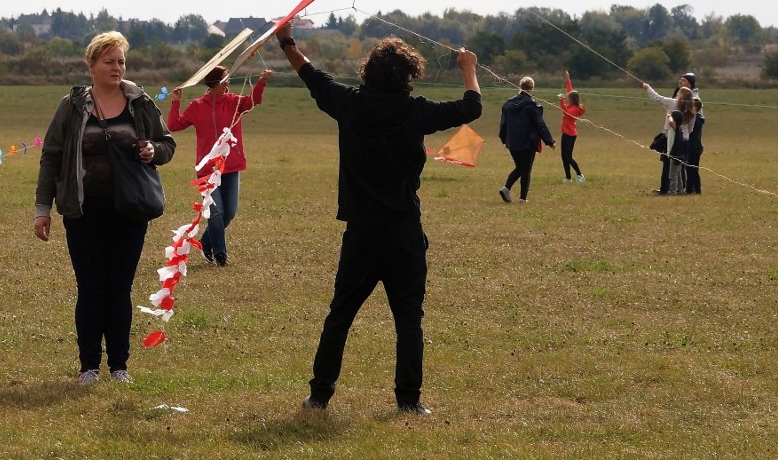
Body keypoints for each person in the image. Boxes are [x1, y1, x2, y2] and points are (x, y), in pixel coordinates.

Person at [275, 22, 482, 415]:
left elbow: (310, 74)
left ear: (368, 70)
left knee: (340, 315)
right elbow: (472, 107)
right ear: (409, 75)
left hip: (362, 234)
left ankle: (319, 395)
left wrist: (286, 39)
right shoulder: (417, 112)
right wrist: (468, 67)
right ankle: (409, 402)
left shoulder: (349, 104)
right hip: (404, 231)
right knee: (408, 319)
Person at [34, 31, 176, 385]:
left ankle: (119, 365)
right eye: (109, 61)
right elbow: (51, 157)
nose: (117, 67)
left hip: (129, 211)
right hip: (82, 212)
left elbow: (167, 144)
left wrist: (152, 152)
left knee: (119, 288)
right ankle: (88, 367)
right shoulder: (71, 106)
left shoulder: (140, 104)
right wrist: (42, 208)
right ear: (92, 65)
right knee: (91, 288)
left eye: (121, 61)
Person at [167, 66, 271, 266]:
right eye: (225, 79)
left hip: (231, 167)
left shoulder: (233, 101)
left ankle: (205, 243)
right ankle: (220, 254)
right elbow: (174, 125)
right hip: (207, 170)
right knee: (216, 212)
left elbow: (253, 101)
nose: (228, 83)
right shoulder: (197, 106)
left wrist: (261, 82)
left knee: (229, 212)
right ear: (215, 83)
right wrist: (176, 101)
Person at [498, 76, 556, 203]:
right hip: (527, 142)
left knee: (519, 167)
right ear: (532, 88)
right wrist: (550, 141)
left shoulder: (508, 104)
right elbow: (540, 124)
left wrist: (503, 138)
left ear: (520, 86)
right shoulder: (532, 105)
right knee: (526, 169)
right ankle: (523, 198)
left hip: (512, 141)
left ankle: (506, 188)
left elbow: (503, 123)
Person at [643, 78, 695, 195]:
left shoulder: (673, 102)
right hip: (685, 140)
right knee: (680, 166)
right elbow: (691, 129)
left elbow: (657, 98)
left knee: (668, 165)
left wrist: (647, 88)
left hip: (671, 139)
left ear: (680, 95)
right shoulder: (692, 111)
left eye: (679, 92)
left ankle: (668, 189)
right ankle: (680, 190)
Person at [557, 70, 586, 183]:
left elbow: (565, 111)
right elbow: (569, 89)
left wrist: (561, 99)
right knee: (563, 157)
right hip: (565, 133)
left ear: (572, 99)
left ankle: (580, 175)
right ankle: (568, 178)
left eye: (569, 97)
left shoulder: (574, 109)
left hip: (570, 135)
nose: (567, 97)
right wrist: (567, 79)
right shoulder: (571, 104)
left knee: (568, 157)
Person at [685, 97, 705, 194]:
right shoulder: (695, 118)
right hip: (693, 147)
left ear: (695, 108)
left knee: (693, 169)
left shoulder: (697, 119)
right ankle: (689, 189)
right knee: (689, 169)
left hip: (694, 147)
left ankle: (697, 189)